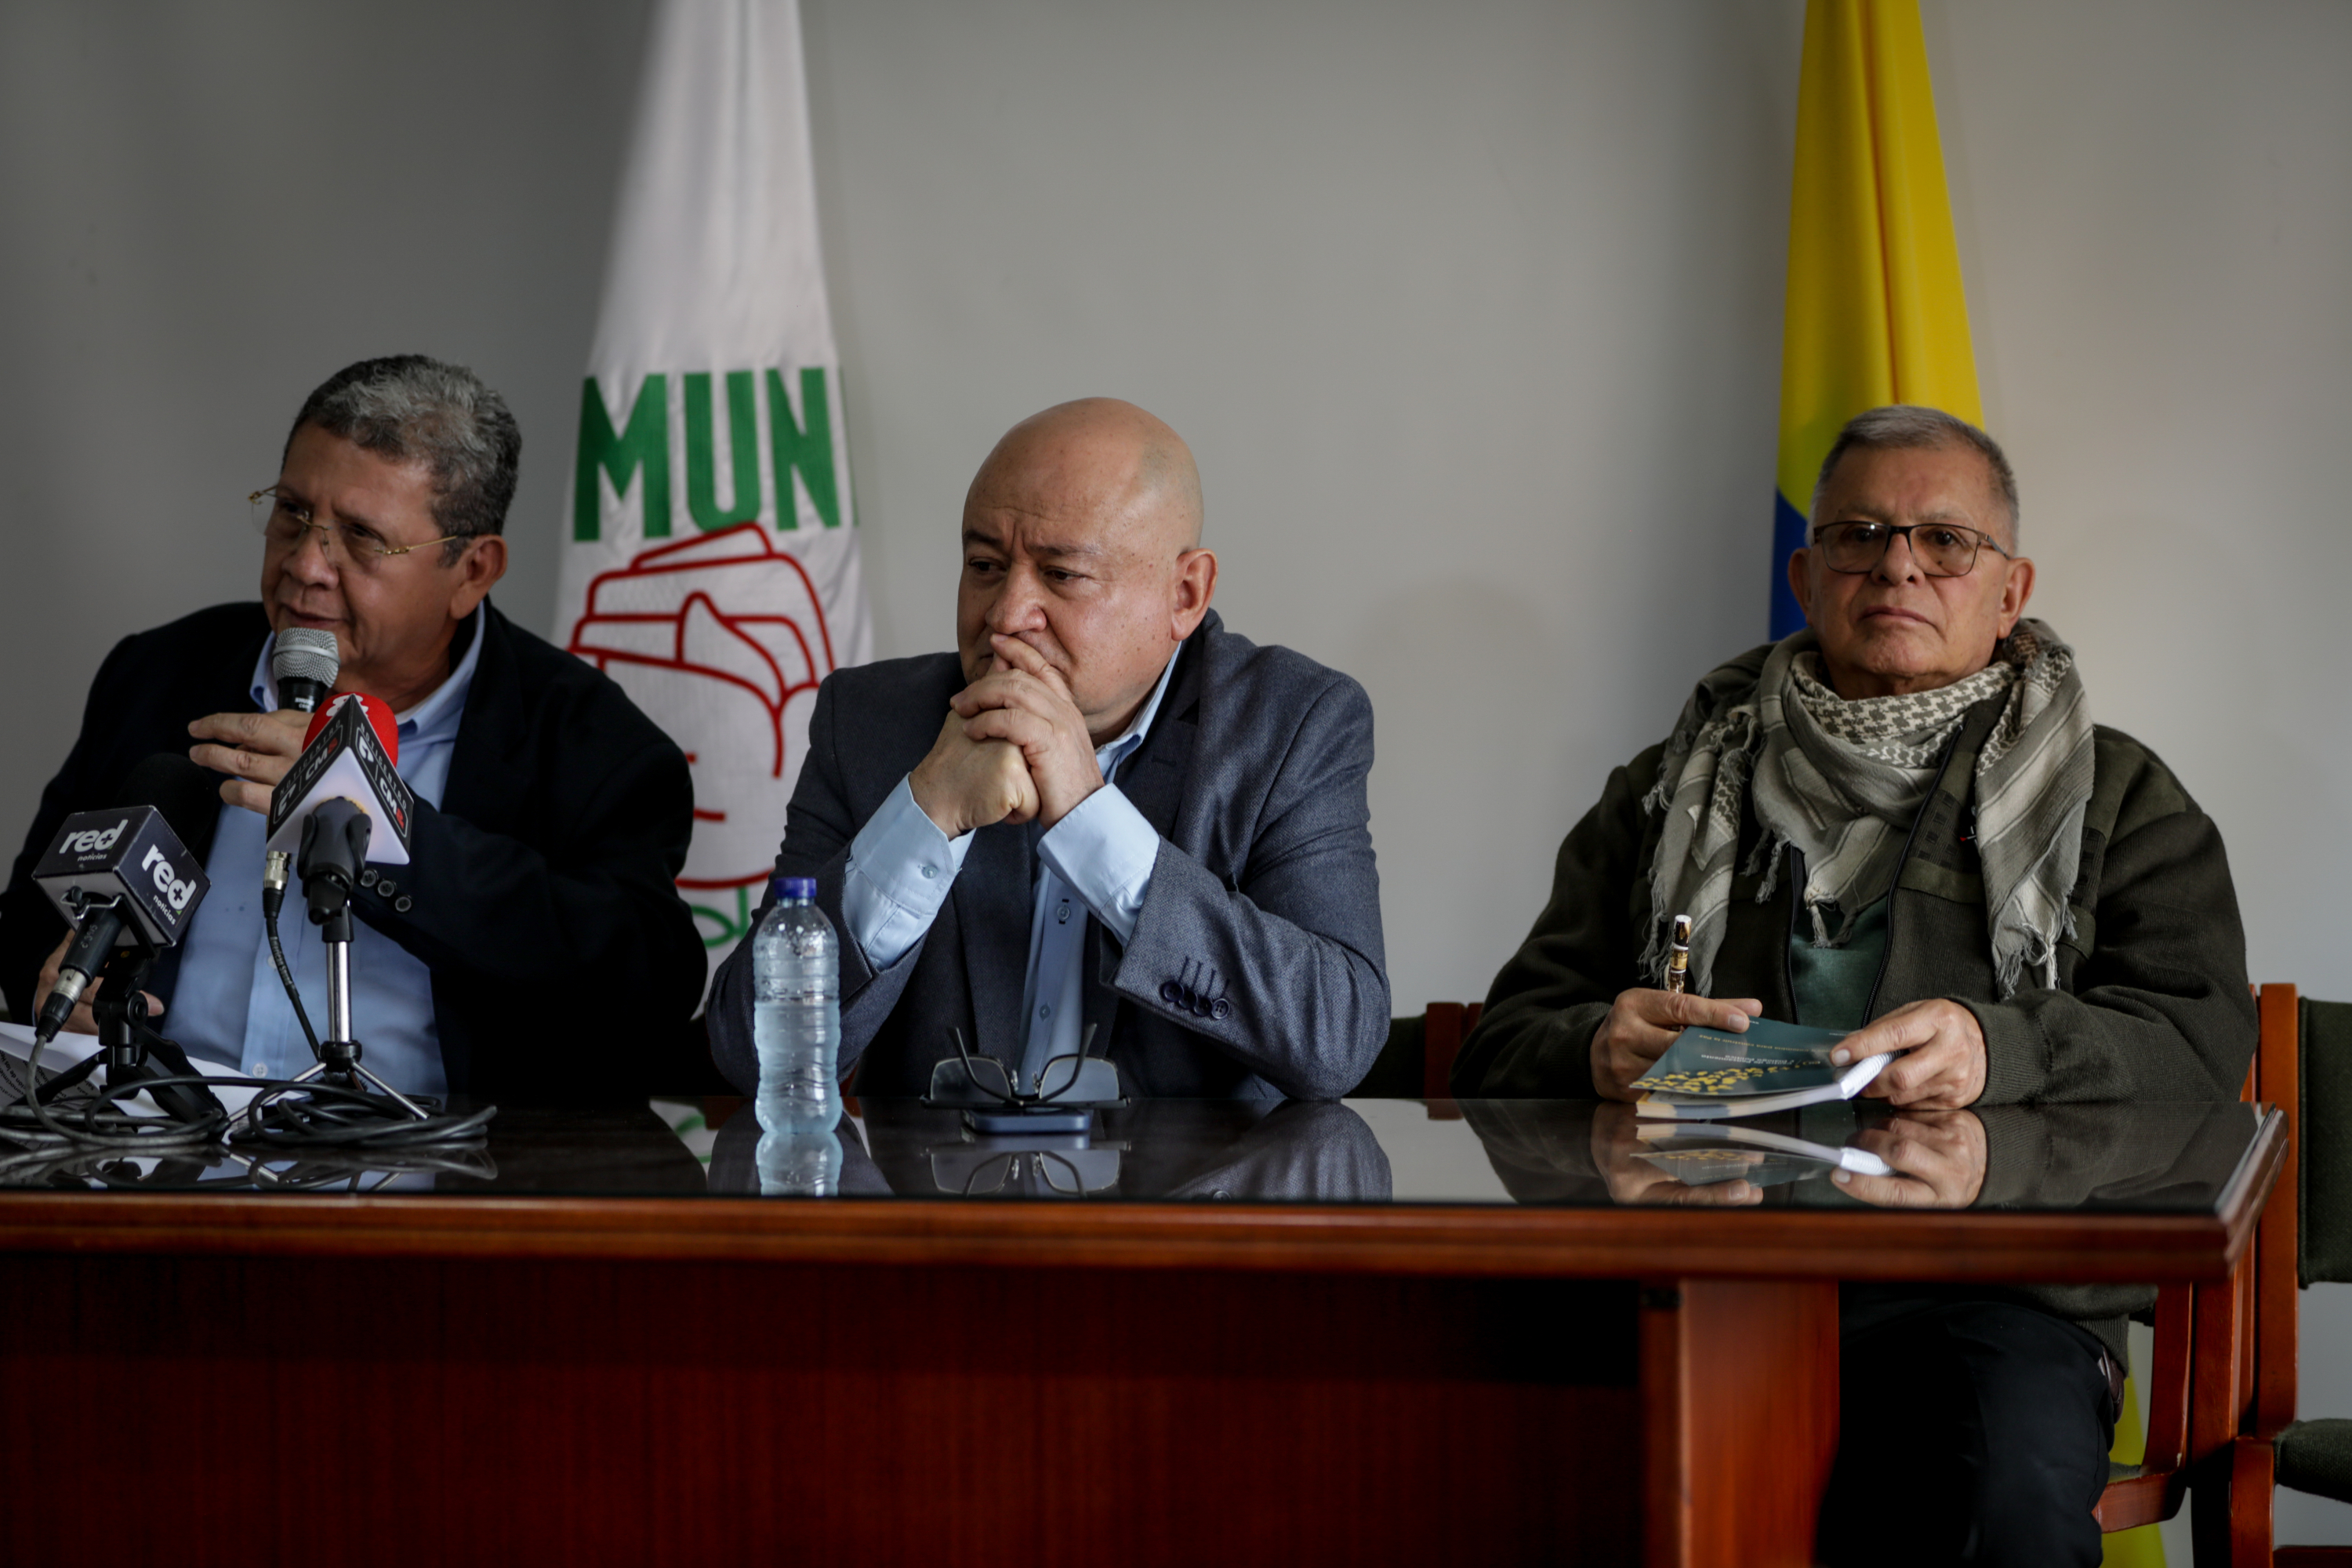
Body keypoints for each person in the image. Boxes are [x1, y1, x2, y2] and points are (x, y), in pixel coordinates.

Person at [1453, 405, 2256, 1566]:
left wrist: (2000, 1049)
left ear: (2012, 589)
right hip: (1693, 1277)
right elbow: (1505, 1038)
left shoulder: (2120, 799)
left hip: (1998, 1294)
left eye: (1945, 541)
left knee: (1999, 1507)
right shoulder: (1669, 785)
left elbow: (2198, 1047)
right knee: (1490, 1470)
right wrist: (1595, 1045)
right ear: (1805, 573)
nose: (1897, 567)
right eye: (1860, 535)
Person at [0, 356, 706, 1102]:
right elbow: (27, 926)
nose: (307, 564)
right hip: (165, 1148)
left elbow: (647, 985)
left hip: (435, 1162)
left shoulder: (594, 745)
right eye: (293, 512)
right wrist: (57, 988)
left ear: (472, 571)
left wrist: (388, 829)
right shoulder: (156, 676)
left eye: (363, 536)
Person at [706, 397, 1386, 1100]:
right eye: (985, 565)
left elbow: (1336, 1039)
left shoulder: (1289, 726)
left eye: (1062, 575)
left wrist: (1093, 822)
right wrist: (924, 815)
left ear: (1185, 594)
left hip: (1185, 1176)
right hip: (939, 1176)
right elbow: (745, 1053)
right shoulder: (869, 722)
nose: (1006, 615)